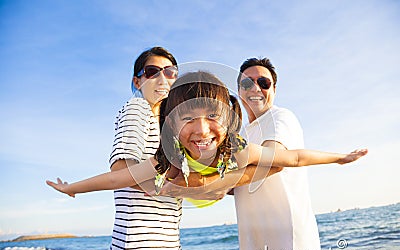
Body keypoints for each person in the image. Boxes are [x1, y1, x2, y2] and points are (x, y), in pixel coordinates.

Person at [46, 71, 366, 203]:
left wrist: (339, 157)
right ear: (170, 125)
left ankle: (210, 184)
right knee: (169, 183)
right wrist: (72, 188)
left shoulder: (237, 147)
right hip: (188, 183)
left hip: (220, 179)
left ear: (228, 119)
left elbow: (295, 157)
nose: (201, 130)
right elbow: (117, 178)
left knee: (272, 165)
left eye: (213, 116)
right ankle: (181, 187)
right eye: (187, 118)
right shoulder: (168, 156)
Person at [233, 57, 331, 250]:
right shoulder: (241, 134)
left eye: (264, 83)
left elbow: (272, 160)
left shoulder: (279, 118)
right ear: (239, 90)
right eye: (247, 83)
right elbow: (238, 184)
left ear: (274, 89)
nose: (255, 88)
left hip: (289, 246)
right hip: (255, 246)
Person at [105, 47, 183, 250]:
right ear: (137, 82)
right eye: (152, 71)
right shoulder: (137, 108)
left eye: (170, 72)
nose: (162, 78)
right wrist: (172, 187)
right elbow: (121, 169)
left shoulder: (169, 127)